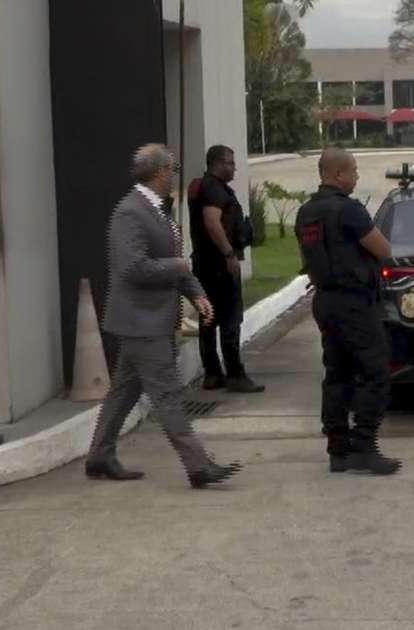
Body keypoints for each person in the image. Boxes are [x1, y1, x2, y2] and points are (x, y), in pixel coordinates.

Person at [86, 143, 242, 488]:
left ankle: (99, 455)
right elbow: (133, 268)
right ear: (160, 173)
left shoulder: (156, 209)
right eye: (172, 169)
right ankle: (198, 466)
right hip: (141, 322)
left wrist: (197, 293)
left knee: (123, 393)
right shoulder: (131, 212)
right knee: (168, 395)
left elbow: (172, 264)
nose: (175, 175)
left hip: (147, 320)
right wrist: (179, 265)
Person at [295, 148, 401, 475]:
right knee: (376, 371)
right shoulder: (349, 211)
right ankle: (364, 443)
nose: (356, 177)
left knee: (337, 373)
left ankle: (337, 449)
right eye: (353, 171)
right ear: (338, 174)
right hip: (354, 303)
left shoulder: (306, 212)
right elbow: (383, 249)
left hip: (325, 302)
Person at [188, 144, 264, 394]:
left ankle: (212, 374)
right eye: (230, 163)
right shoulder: (214, 189)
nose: (234, 167)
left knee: (208, 319)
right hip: (220, 266)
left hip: (205, 265)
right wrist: (229, 253)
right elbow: (212, 222)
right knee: (230, 319)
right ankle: (234, 374)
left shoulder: (203, 187)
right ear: (218, 163)